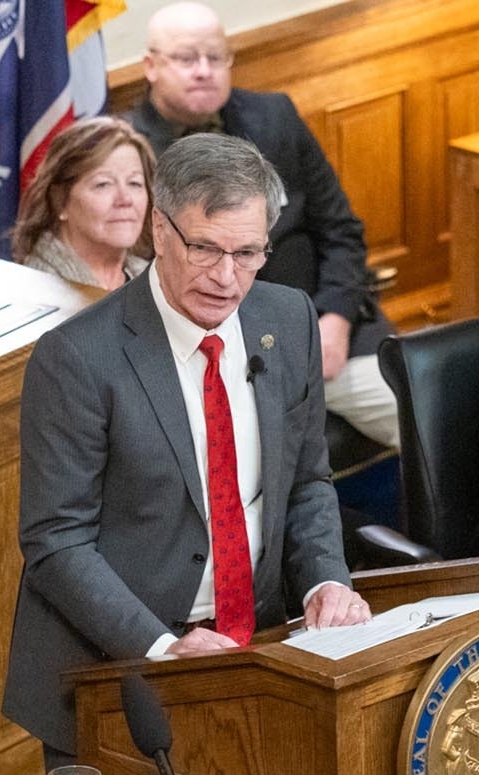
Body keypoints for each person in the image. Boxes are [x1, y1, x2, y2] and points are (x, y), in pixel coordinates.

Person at [2, 133, 372, 769]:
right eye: (205, 248)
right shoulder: (78, 358)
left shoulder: (287, 320)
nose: (227, 278)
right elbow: (57, 542)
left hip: (259, 651)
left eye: (248, 252)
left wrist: (325, 579)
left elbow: (308, 481)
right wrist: (163, 648)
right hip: (117, 667)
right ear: (159, 230)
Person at [128, 1, 400, 450]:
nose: (203, 70)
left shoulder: (274, 118)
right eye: (186, 58)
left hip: (324, 336)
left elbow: (341, 231)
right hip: (212, 362)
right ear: (151, 66)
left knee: (430, 416)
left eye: (215, 57)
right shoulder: (131, 151)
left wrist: (334, 322)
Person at [9, 116, 157, 293]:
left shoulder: (152, 278)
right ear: (60, 201)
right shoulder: (40, 291)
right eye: (103, 184)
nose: (125, 199)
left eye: (135, 183)